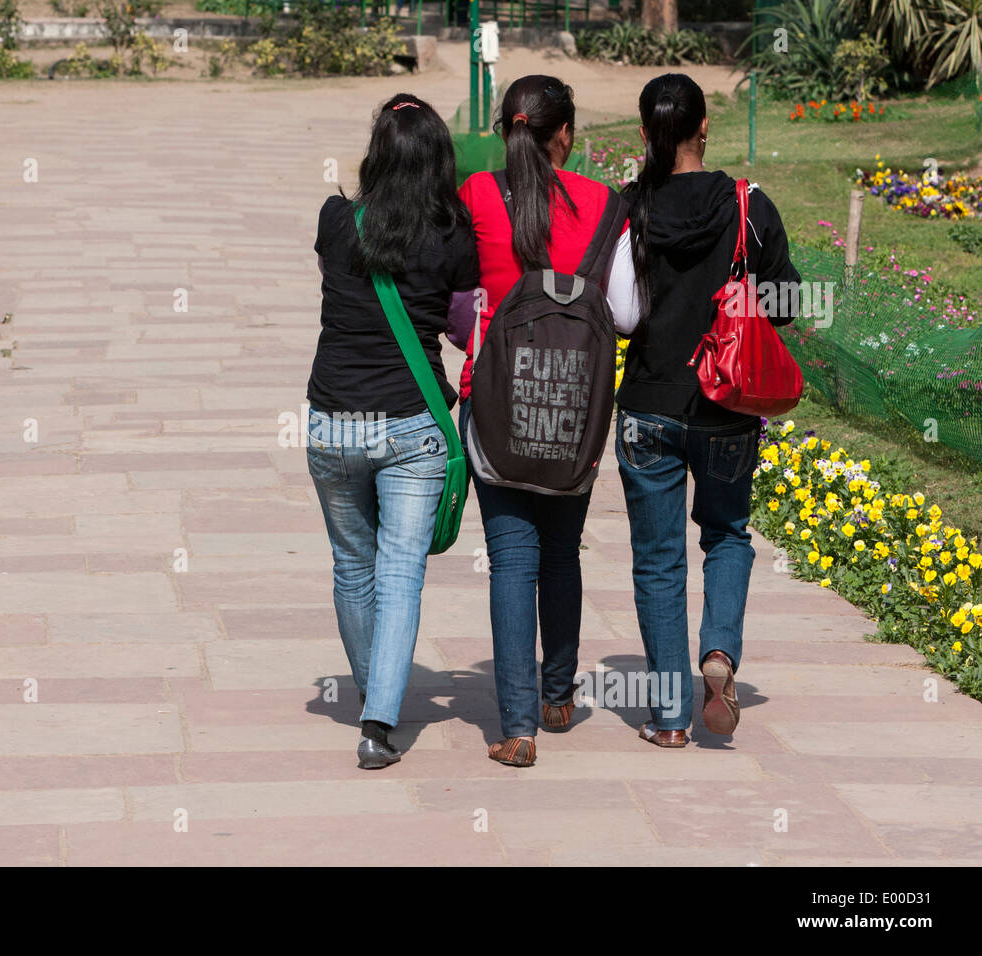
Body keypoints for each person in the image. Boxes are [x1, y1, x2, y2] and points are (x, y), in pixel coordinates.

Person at [455, 75, 639, 768]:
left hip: (495, 400)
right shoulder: (605, 204)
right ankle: (559, 695)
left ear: (508, 128)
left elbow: (456, 293)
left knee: (511, 559)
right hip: (576, 404)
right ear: (565, 134)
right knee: (562, 550)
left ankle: (519, 727)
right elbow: (623, 311)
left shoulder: (476, 193)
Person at [616, 73, 800, 748]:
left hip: (647, 407)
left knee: (658, 560)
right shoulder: (748, 205)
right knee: (726, 535)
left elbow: (617, 315)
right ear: (703, 130)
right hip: (726, 406)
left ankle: (668, 719)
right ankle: (718, 655)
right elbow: (784, 304)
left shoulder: (628, 206)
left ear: (646, 134)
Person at [307, 93, 480, 769]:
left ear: (375, 155)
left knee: (353, 567)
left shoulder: (334, 220)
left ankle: (371, 695)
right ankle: (380, 721)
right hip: (412, 426)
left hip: (333, 422)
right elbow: (464, 326)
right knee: (400, 574)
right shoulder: (454, 234)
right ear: (440, 162)